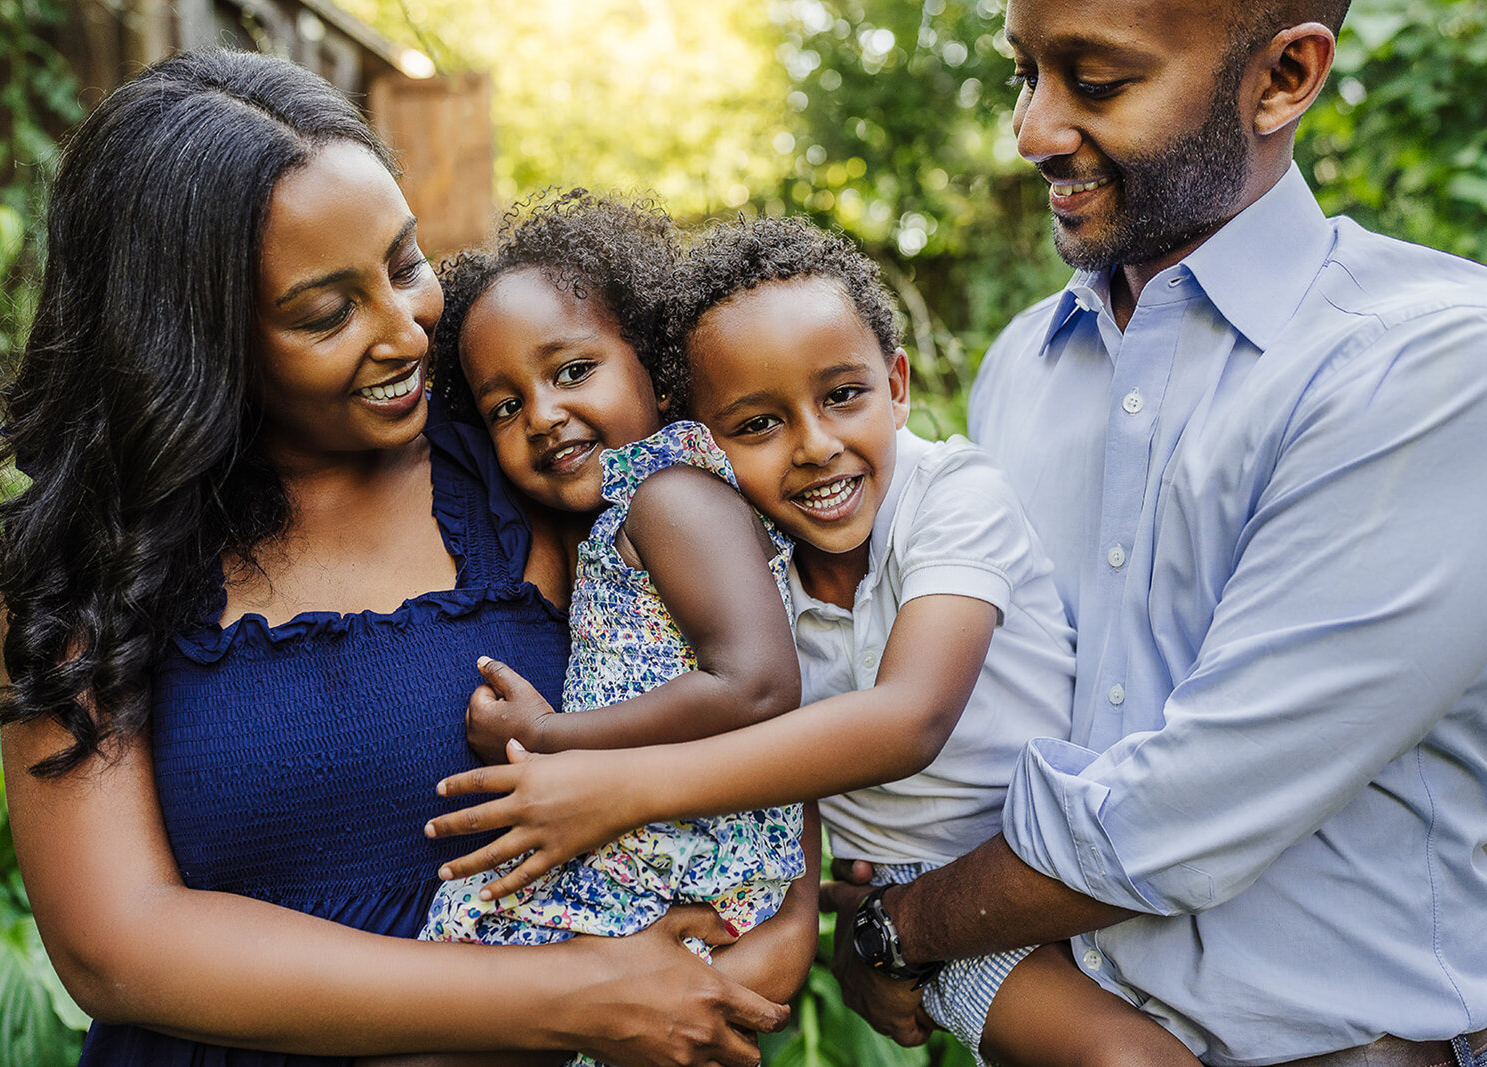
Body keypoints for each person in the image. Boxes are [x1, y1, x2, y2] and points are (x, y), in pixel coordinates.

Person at [0, 49, 790, 1066]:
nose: (406, 330)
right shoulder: (95, 557)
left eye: (405, 264)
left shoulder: (525, 462)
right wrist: (566, 992)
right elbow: (116, 945)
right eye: (327, 312)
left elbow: (758, 687)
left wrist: (782, 924)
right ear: (192, 339)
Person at [811, 0, 1487, 1063]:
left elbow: (1181, 812)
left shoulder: (1426, 366)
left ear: (1284, 77)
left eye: (1097, 80)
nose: (1031, 130)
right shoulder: (1021, 369)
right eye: (1024, 73)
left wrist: (901, 929)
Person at [424, 214, 1200, 1065]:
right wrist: (804, 899)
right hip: (930, 899)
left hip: (1047, 858)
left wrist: (594, 770)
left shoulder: (952, 499)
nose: (815, 447)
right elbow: (771, 754)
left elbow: (908, 717)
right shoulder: (747, 553)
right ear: (706, 437)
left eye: (842, 396)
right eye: (757, 425)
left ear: (896, 385)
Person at [418, 190, 817, 1032]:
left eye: (572, 371)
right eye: (504, 405)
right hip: (664, 853)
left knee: (447, 997)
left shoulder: (671, 497)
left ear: (650, 358)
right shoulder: (622, 518)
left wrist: (552, 737)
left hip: (688, 863)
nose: (544, 415)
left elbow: (758, 685)